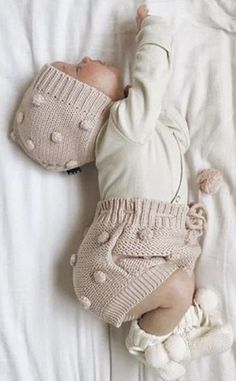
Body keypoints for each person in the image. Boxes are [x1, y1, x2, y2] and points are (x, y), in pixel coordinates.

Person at [11, 4, 233, 380]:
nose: (84, 57)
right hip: (114, 267)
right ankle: (146, 344)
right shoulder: (120, 129)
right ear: (86, 107)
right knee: (179, 285)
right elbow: (153, 80)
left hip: (126, 259)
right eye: (79, 69)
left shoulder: (131, 131)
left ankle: (177, 339)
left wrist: (137, 100)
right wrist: (153, 32)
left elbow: (175, 132)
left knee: (180, 282)